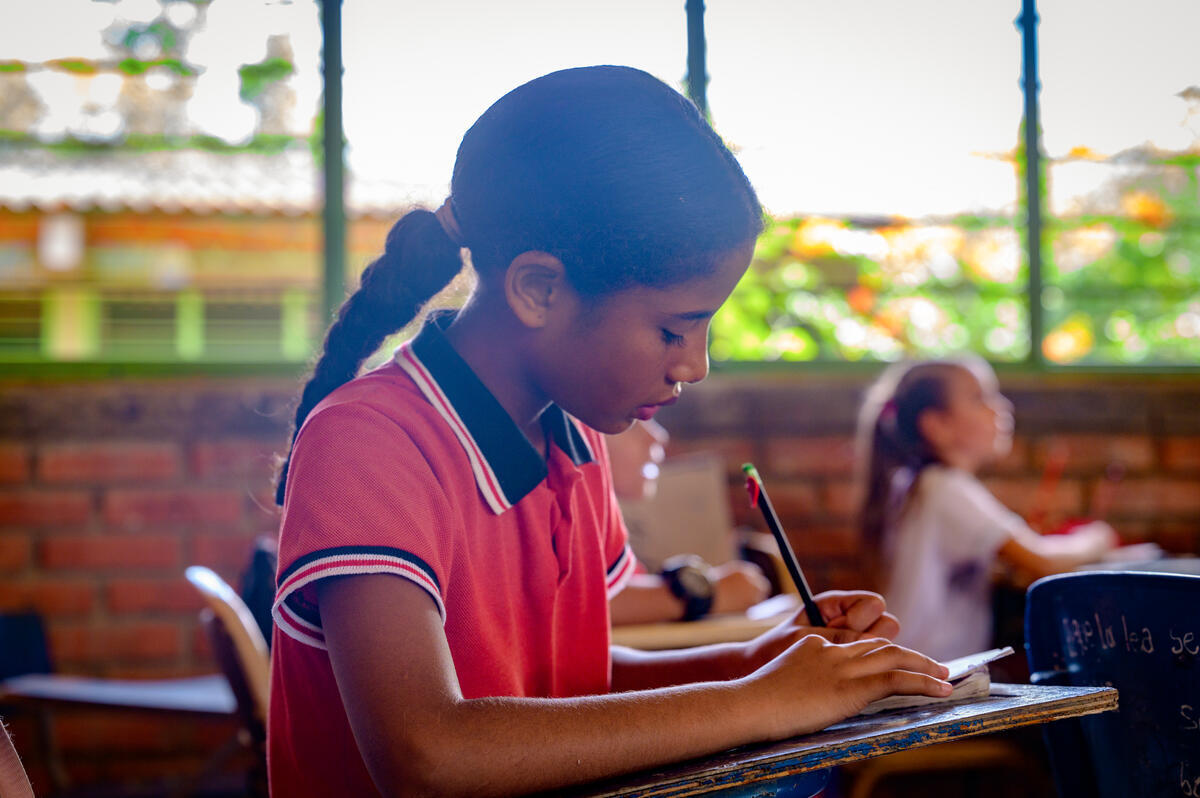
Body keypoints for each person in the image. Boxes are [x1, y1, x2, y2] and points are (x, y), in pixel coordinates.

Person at [269, 65, 951, 798]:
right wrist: (761, 700)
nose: (696, 364)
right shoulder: (370, 441)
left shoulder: (572, 440)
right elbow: (427, 753)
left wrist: (772, 663)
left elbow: (574, 694)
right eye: (673, 328)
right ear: (540, 289)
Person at [856, 355, 1118, 663]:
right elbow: (1043, 561)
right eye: (980, 397)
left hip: (919, 667)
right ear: (936, 425)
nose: (1002, 407)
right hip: (930, 679)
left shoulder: (916, 483)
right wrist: (1098, 537)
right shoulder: (945, 488)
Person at [605, 419, 771, 625]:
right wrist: (710, 595)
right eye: (631, 420)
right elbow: (589, 602)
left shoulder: (609, 534)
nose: (657, 437)